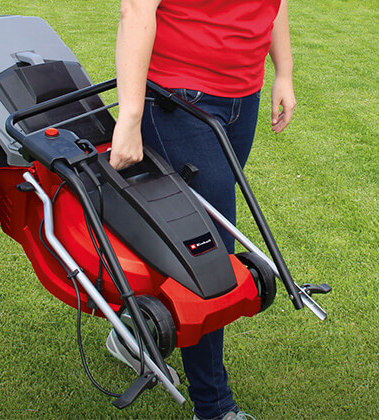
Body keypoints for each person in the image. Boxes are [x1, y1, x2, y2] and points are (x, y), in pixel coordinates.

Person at [110, 0, 296, 418]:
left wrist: (282, 72)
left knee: (180, 236)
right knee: (209, 253)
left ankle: (131, 336)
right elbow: (137, 9)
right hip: (180, 99)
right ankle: (213, 407)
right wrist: (131, 117)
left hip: (241, 98)